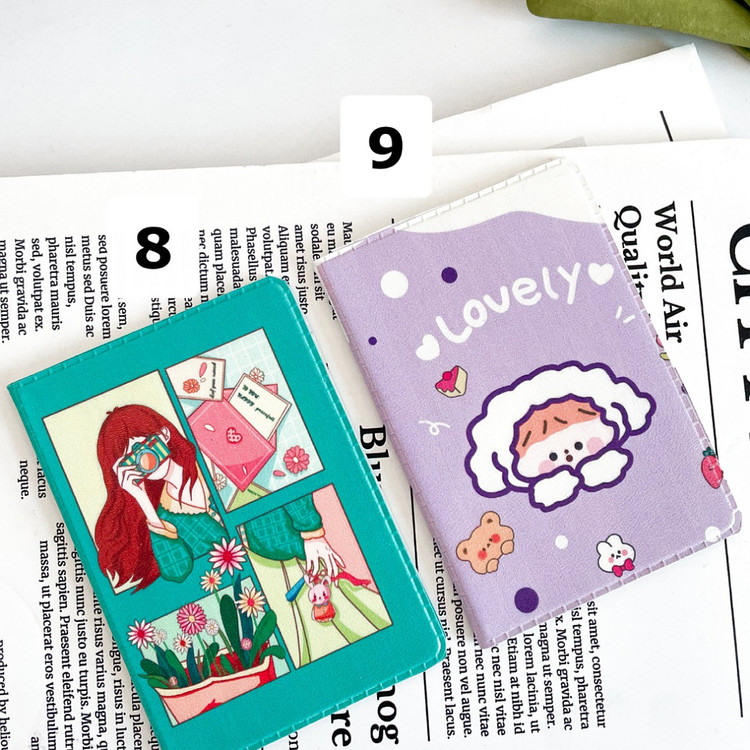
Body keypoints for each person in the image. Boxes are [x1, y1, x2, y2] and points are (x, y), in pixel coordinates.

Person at [95, 404, 226, 590]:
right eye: (130, 458)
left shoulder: (211, 465)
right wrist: (141, 498)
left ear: (164, 434)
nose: (143, 459)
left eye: (143, 446)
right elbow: (178, 572)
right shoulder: (163, 517)